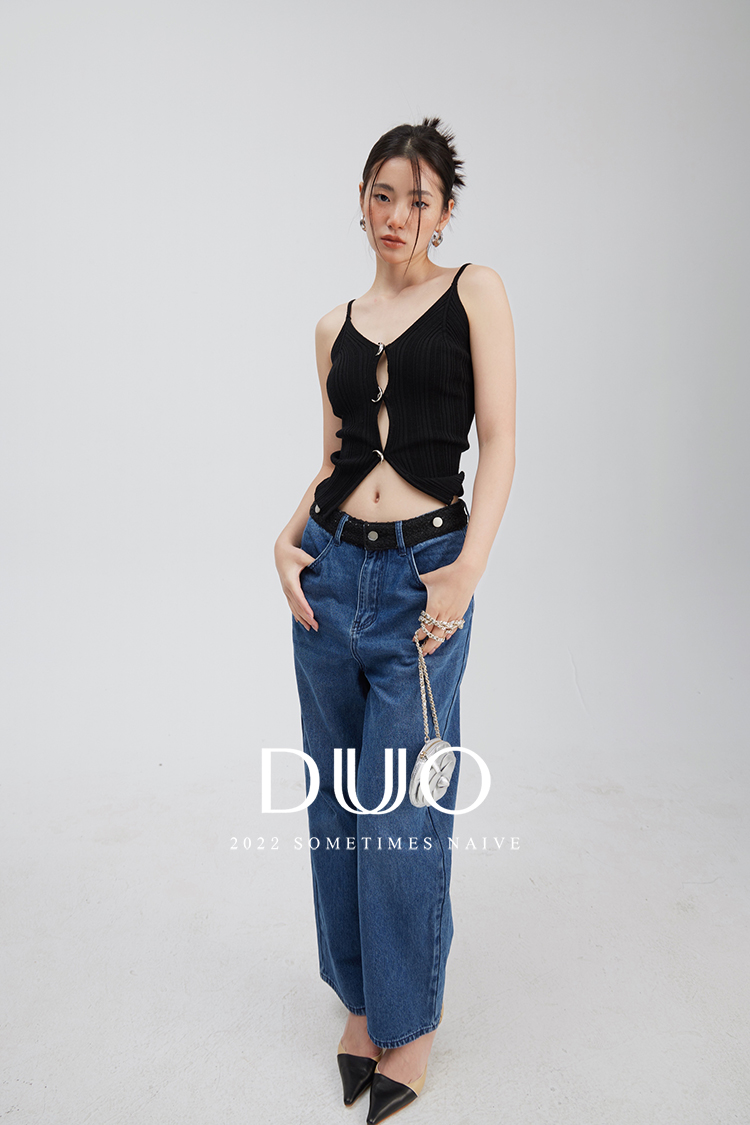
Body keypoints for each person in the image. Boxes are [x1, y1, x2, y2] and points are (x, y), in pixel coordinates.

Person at [274, 117, 515, 1123]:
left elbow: (499, 441)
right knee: (336, 803)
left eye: (418, 199)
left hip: (423, 579)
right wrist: (285, 539)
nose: (398, 215)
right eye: (383, 194)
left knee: (404, 811)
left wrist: (466, 572)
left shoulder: (475, 293)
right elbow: (335, 458)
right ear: (362, 202)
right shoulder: (332, 326)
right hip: (330, 576)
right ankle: (363, 1003)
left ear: (443, 211)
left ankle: (408, 1023)